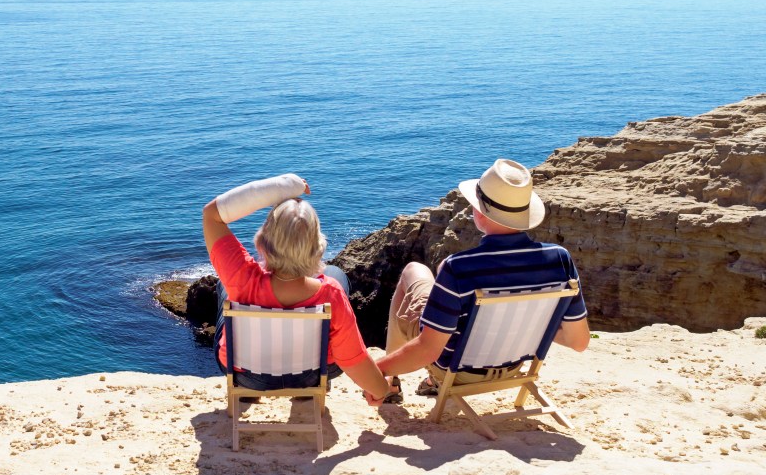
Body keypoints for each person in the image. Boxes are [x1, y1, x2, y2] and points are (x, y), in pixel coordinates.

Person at [374, 159, 591, 405]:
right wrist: (531, 322)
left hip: (456, 370)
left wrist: (375, 369)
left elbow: (428, 349)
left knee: (414, 270)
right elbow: (579, 342)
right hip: (513, 367)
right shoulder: (560, 260)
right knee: (443, 271)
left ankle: (390, 383)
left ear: (479, 212)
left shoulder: (460, 267)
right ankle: (427, 382)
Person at [202, 173, 391, 401]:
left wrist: (283, 187)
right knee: (336, 274)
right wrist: (381, 389)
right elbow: (353, 359)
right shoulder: (331, 293)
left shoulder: (241, 277)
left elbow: (211, 214)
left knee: (226, 285)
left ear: (262, 241)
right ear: (317, 247)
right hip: (310, 376)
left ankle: (248, 395)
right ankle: (304, 395)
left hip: (245, 376)